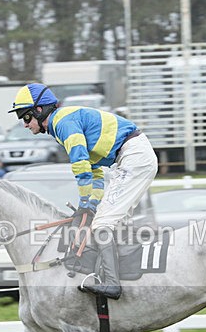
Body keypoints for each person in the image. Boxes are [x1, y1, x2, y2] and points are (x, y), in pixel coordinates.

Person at [9, 83, 158, 300]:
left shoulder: (62, 122)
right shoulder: (63, 124)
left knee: (103, 224)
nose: (24, 124)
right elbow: (95, 171)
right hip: (133, 157)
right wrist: (90, 204)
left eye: (25, 117)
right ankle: (129, 279)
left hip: (133, 157)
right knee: (111, 223)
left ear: (39, 110)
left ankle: (112, 284)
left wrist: (85, 203)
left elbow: (80, 165)